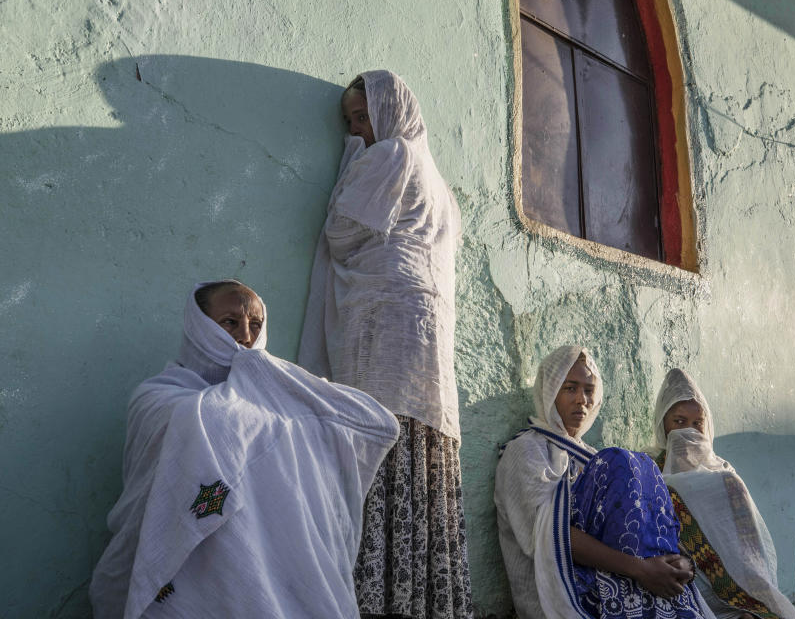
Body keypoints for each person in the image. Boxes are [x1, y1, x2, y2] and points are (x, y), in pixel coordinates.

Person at [90, 280, 399, 618]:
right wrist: (261, 386)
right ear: (199, 328)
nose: (246, 336)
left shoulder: (285, 396)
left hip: (277, 568)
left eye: (255, 324)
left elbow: (377, 423)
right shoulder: (157, 397)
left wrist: (269, 380)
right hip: (192, 567)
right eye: (229, 322)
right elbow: (209, 424)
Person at [298, 71, 471, 618]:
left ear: (392, 112)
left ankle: (372, 598)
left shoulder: (391, 155)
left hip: (383, 321)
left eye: (364, 116)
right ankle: (419, 598)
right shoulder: (440, 183)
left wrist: (351, 163)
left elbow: (343, 233)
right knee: (418, 445)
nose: (358, 130)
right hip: (426, 334)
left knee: (371, 436)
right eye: (350, 121)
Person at [495, 346, 713, 619]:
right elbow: (551, 535)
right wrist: (641, 570)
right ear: (549, 391)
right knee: (621, 461)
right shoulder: (526, 451)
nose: (581, 400)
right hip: (561, 592)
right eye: (570, 388)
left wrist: (680, 565)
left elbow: (639, 527)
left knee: (643, 465)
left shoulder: (590, 456)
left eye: (589, 390)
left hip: (621, 578)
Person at [650, 369, 795, 619]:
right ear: (662, 423)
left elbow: (750, 543)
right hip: (683, 577)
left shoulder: (723, 471)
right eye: (679, 422)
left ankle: (746, 605)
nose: (690, 431)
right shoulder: (650, 468)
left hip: (739, 582)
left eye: (697, 423)